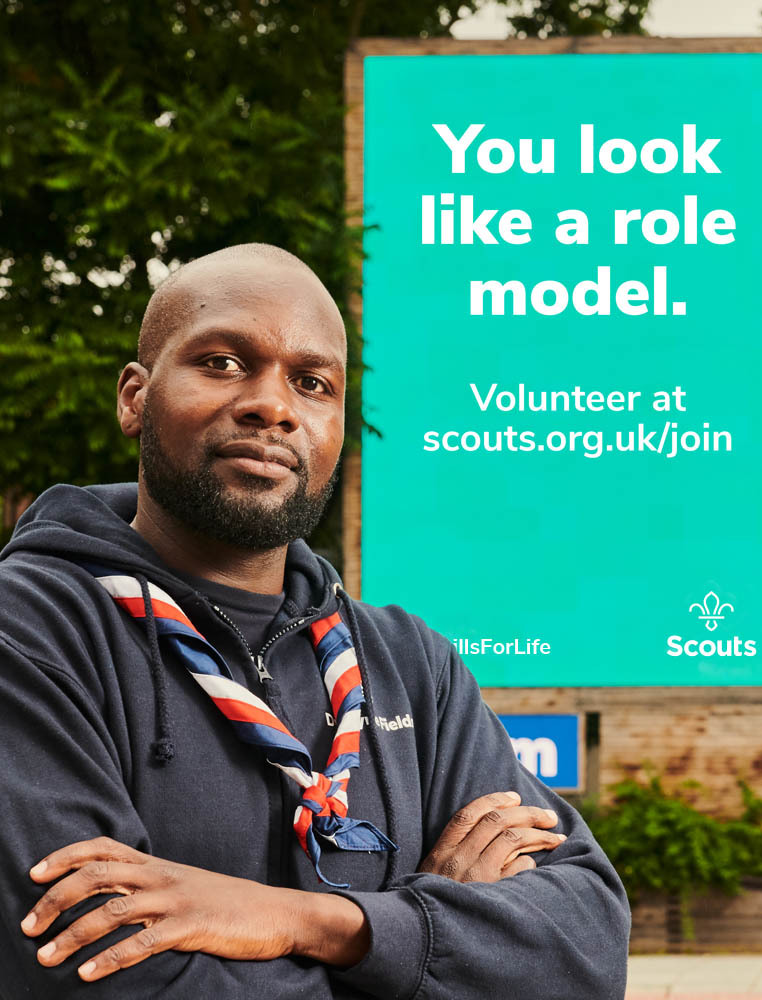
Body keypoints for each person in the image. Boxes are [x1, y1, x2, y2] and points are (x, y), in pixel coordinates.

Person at [0, 244, 629, 999]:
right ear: (135, 397)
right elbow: (93, 976)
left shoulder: (410, 663)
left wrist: (319, 922)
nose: (273, 405)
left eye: (311, 382)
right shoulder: (30, 630)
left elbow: (587, 948)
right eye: (223, 362)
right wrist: (428, 944)